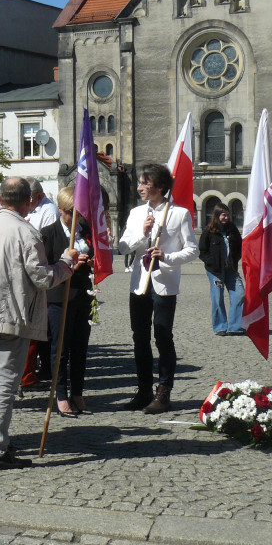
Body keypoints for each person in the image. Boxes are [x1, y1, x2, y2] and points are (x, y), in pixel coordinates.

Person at [0, 177, 76, 469]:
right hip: (12, 317)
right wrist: (66, 263)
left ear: (0, 198)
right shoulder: (27, 232)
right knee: (4, 384)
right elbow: (42, 278)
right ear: (26, 202)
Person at [118, 163, 198, 414]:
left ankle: (163, 391)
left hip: (164, 282)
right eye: (140, 183)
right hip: (140, 282)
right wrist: (142, 235)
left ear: (160, 187)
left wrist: (167, 257)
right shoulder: (135, 213)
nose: (140, 187)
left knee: (163, 336)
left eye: (145, 183)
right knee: (139, 336)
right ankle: (143, 389)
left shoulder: (179, 214)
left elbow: (192, 250)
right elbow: (122, 247)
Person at [41, 186, 92, 417]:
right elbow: (45, 268)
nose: (76, 217)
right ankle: (60, 394)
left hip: (84, 295)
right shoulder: (48, 233)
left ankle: (78, 392)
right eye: (72, 212)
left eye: (79, 212)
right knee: (60, 349)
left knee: (81, 347)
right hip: (59, 296)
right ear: (61, 210)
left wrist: (91, 263)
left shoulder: (86, 230)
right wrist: (69, 265)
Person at [197, 203, 245, 336]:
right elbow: (202, 250)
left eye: (228, 214)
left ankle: (235, 326)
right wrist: (210, 262)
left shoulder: (232, 229)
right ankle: (220, 326)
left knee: (239, 294)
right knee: (217, 297)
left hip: (231, 269)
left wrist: (236, 258)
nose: (226, 217)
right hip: (215, 271)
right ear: (217, 216)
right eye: (223, 215)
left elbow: (240, 246)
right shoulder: (209, 231)